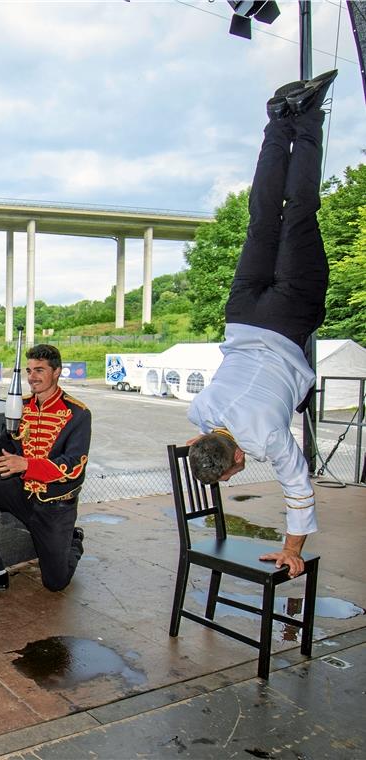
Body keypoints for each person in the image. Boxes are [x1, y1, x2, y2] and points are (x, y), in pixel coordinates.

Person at [186, 71, 338, 580]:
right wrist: (205, 444)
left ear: (232, 465)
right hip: (243, 314)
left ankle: (309, 115)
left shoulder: (269, 438)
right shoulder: (200, 411)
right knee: (261, 218)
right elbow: (199, 436)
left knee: (300, 215)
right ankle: (277, 122)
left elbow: (299, 491)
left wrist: (292, 550)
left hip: (290, 317)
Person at [0, 344, 90, 593]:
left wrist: (25, 464)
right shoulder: (19, 405)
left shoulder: (77, 413)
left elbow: (73, 466)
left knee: (55, 584)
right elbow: (1, 447)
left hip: (55, 505)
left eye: (40, 370)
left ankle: (73, 541)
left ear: (57, 372)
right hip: (21, 491)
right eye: (29, 370)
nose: (32, 377)